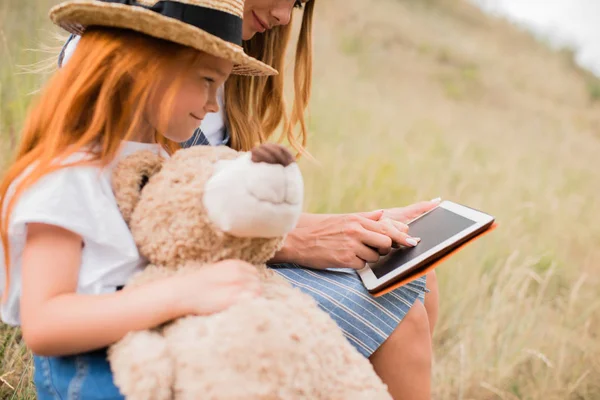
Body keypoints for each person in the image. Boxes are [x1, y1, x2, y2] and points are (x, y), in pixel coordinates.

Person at [59, 1, 440, 398]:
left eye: (297, 4)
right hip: (167, 269)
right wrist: (298, 240)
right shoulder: (134, 65)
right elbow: (151, 217)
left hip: (220, 251)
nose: (285, 17)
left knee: (417, 274)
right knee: (399, 315)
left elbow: (212, 194)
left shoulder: (217, 66)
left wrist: (356, 226)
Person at [0, 0, 275, 398]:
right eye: (206, 81)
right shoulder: (70, 176)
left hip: (156, 354)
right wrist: (184, 294)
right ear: (141, 67)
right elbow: (44, 324)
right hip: (96, 372)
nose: (215, 104)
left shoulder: (159, 162)